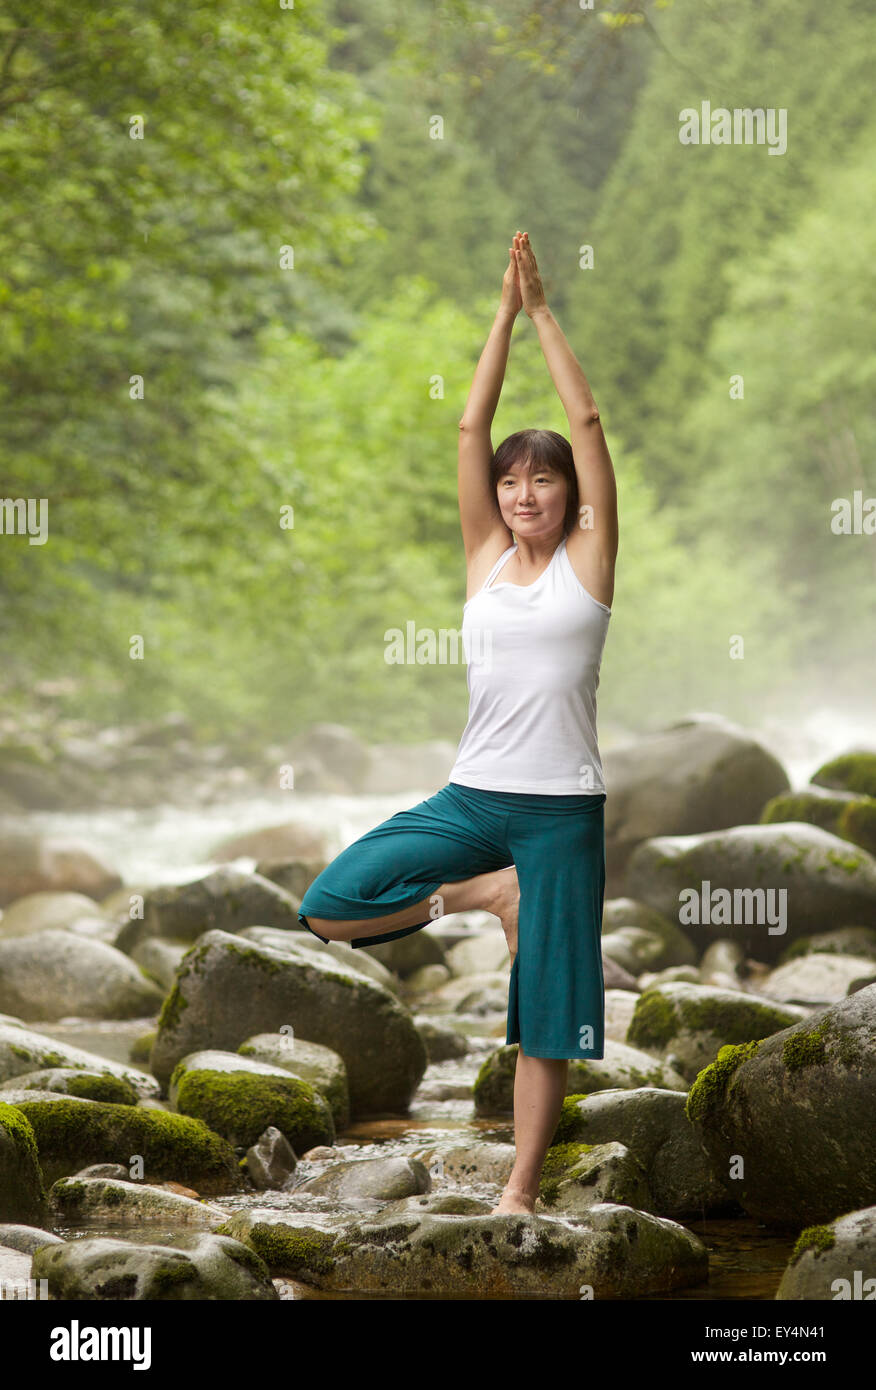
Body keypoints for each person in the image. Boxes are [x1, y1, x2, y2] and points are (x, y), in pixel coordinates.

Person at [298, 230, 619, 1215]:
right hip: (475, 800)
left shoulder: (590, 563)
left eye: (544, 480)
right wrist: (502, 313)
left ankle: (520, 1188)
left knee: (549, 1022)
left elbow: (590, 417)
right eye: (514, 480)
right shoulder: (484, 556)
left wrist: (548, 312)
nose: (523, 493)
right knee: (328, 904)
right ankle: (489, 895)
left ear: (569, 498)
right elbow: (469, 426)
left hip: (561, 811)